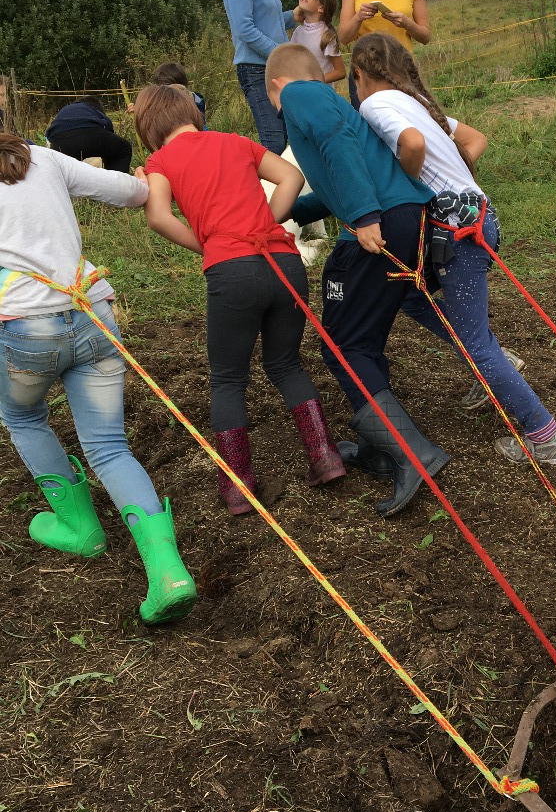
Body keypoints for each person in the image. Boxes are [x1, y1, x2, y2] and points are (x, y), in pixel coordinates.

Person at [352, 32, 556, 465]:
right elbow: (477, 139)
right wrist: (455, 177)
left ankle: (546, 436)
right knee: (408, 294)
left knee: (475, 340)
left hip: (456, 231)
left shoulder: (375, 105)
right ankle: (490, 358)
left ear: (359, 74)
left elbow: (412, 145)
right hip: (472, 219)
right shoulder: (416, 102)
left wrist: (410, 186)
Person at [0, 133, 195, 625]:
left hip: (24, 328)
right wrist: (142, 179)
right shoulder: (39, 157)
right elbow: (133, 192)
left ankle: (78, 526)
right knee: (109, 446)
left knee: (22, 416)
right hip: (93, 311)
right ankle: (169, 572)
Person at [133, 84, 345, 515]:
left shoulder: (160, 162)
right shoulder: (235, 141)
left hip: (233, 271)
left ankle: (237, 485)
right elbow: (292, 176)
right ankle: (324, 456)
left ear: (150, 128)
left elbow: (157, 215)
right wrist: (267, 222)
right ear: (193, 113)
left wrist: (209, 245)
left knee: (228, 379)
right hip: (284, 262)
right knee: (285, 363)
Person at [264, 42, 445, 518]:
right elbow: (334, 182)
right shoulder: (333, 103)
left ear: (276, 86)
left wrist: (363, 216)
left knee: (341, 344)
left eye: (270, 99)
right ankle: (377, 445)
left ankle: (413, 453)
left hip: (378, 221)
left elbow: (338, 149)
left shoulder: (301, 94)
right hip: (405, 217)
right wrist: (286, 214)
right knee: (362, 339)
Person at [221, 0, 297, 153]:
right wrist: (280, 54)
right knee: (274, 143)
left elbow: (269, 21)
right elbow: (244, 28)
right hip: (256, 70)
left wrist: (296, 15)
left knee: (288, 140)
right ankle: (259, 191)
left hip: (271, 67)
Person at [46, 96, 133, 173]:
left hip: (57, 141)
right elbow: (108, 131)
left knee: (67, 167)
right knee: (123, 149)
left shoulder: (66, 109)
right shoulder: (96, 110)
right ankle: (115, 185)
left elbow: (49, 133)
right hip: (88, 135)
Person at [290, 0, 346, 83]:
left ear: (321, 7)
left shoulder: (326, 36)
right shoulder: (298, 31)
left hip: (320, 94)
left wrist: (314, 81)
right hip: (300, 90)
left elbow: (340, 72)